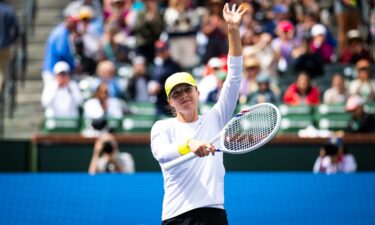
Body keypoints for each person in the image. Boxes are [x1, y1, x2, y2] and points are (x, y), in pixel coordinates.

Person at [150, 3, 246, 224]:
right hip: (177, 217)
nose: (183, 96)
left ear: (197, 91)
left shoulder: (215, 118)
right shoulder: (163, 127)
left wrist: (232, 30)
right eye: (176, 94)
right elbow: (162, 153)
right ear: (170, 102)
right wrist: (189, 145)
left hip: (214, 214)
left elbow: (233, 78)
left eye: (187, 90)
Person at [0, 0, 19, 96]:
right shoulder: (8, 10)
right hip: (4, 46)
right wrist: (12, 41)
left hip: (5, 45)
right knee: (2, 72)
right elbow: (16, 29)